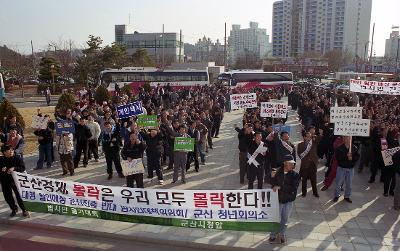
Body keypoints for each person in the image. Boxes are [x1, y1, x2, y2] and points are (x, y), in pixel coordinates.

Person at [269, 154, 300, 244]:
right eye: (290, 163)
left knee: (285, 219)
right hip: (278, 200)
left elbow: (293, 188)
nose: (293, 165)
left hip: (288, 201)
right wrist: (271, 176)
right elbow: (270, 182)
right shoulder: (277, 172)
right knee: (275, 219)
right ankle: (273, 235)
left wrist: (280, 187)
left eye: (293, 163)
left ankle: (282, 234)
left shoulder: (295, 175)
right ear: (285, 163)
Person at [0, 145, 30, 217]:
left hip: (15, 180)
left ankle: (24, 209)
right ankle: (14, 209)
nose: (11, 151)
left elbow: (22, 168)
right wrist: (1, 170)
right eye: (9, 150)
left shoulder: (17, 158)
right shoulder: (1, 159)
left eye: (12, 150)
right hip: (5, 181)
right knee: (8, 196)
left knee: (19, 195)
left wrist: (14, 168)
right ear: (4, 152)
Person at [333, 136, 359, 203]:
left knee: (349, 184)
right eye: (346, 138)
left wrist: (352, 158)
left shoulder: (354, 148)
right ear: (344, 139)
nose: (348, 139)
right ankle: (336, 195)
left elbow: (357, 157)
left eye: (349, 138)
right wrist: (346, 156)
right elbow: (337, 158)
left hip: (350, 168)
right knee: (338, 183)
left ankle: (347, 196)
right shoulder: (339, 148)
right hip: (341, 168)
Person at [297, 130, 321, 198]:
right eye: (307, 137)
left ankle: (315, 192)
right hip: (305, 164)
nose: (308, 138)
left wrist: (313, 135)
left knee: (314, 179)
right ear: (304, 137)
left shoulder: (314, 143)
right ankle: (304, 193)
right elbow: (299, 154)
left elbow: (319, 138)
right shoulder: (300, 145)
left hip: (312, 164)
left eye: (310, 137)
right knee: (304, 180)